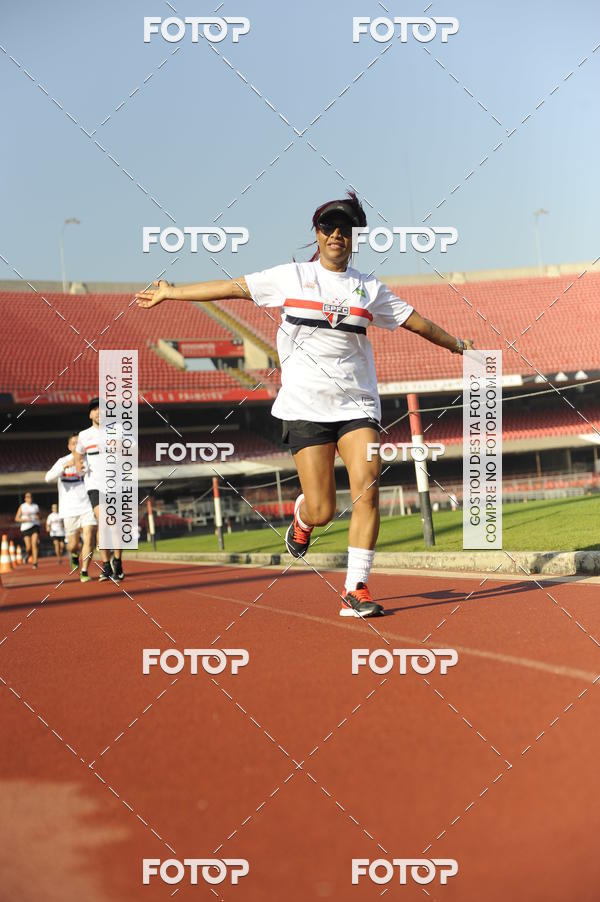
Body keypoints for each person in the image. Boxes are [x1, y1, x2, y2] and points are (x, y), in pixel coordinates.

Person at [135, 192, 473, 617]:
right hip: (305, 408)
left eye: (344, 230)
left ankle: (357, 588)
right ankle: (303, 517)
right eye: (328, 228)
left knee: (368, 487)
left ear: (352, 239)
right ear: (317, 234)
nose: (336, 235)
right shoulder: (290, 277)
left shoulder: (369, 288)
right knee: (323, 508)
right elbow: (232, 288)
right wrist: (171, 293)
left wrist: (459, 346)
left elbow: (417, 323)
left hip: (358, 405)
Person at [74, 398, 124, 581]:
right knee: (104, 522)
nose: (98, 412)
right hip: (94, 484)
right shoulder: (84, 435)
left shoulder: (118, 430)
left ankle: (117, 561)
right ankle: (105, 566)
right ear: (90, 414)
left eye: (101, 409)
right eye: (94, 410)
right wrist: (79, 465)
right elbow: (77, 453)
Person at [45, 434, 97, 582]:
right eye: (73, 444)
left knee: (89, 536)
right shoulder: (62, 461)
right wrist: (63, 467)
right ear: (69, 446)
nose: (76, 446)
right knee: (73, 545)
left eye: (78, 443)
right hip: (69, 509)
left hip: (87, 506)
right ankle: (74, 555)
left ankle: (85, 570)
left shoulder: (88, 461)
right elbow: (48, 478)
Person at [15, 491, 41, 568]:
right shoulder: (22, 507)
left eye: (30, 497)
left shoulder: (35, 506)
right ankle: (28, 555)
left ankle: (35, 563)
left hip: (35, 526)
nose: (29, 498)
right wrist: (25, 520)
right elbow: (16, 518)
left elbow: (40, 517)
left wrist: (38, 517)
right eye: (27, 497)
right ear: (25, 499)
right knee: (28, 547)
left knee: (34, 544)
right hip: (25, 528)